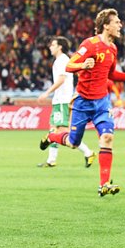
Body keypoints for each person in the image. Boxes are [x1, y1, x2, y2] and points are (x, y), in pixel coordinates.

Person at [39, 8, 125, 196]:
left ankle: (103, 185)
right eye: (116, 22)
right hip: (82, 103)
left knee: (107, 138)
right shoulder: (90, 44)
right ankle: (52, 137)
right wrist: (83, 64)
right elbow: (69, 65)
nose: (120, 24)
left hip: (102, 103)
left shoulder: (113, 48)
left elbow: (112, 74)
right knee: (74, 143)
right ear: (106, 25)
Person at [37, 36, 95, 168]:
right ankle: (51, 160)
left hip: (62, 100)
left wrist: (46, 93)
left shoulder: (62, 60)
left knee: (63, 133)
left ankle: (88, 152)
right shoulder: (61, 60)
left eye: (53, 45)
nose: (50, 47)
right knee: (53, 129)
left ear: (60, 47)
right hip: (59, 100)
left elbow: (62, 79)